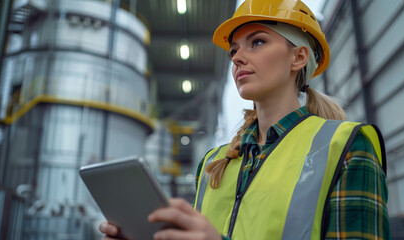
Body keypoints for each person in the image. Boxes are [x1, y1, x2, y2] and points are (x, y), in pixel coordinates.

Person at [100, 0, 389, 239]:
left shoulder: (346, 146)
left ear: (298, 57)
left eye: (257, 42)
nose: (237, 58)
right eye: (234, 50)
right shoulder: (213, 164)